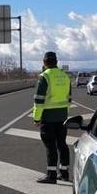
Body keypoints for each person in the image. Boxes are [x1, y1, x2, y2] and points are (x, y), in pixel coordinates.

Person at [33, 51, 72, 184]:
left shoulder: (44, 77)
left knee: (51, 147)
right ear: (56, 62)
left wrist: (36, 118)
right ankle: (65, 173)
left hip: (48, 118)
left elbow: (39, 100)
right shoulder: (65, 76)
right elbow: (69, 98)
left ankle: (51, 175)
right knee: (62, 144)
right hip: (62, 117)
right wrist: (64, 113)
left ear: (44, 62)